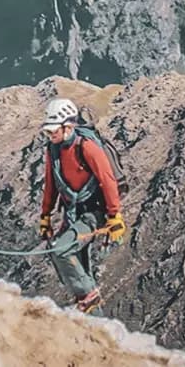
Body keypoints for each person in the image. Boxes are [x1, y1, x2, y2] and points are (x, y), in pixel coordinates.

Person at [38, 96, 129, 314]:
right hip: (74, 214)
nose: (50, 135)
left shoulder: (87, 146)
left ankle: (88, 298)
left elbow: (108, 180)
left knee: (61, 249)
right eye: (48, 132)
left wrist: (114, 216)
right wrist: (45, 216)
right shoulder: (53, 150)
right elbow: (52, 184)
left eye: (53, 131)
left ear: (68, 127)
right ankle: (94, 317)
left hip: (93, 212)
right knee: (62, 254)